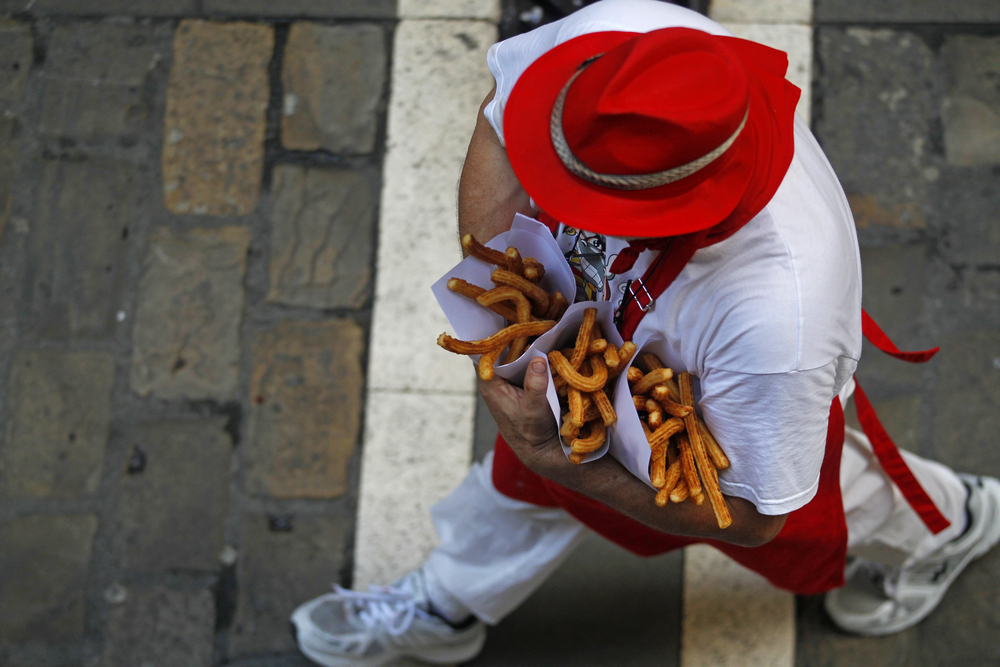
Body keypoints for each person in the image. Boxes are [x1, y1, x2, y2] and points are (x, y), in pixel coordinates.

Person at [289, 2, 1000, 665]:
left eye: (584, 197)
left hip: (712, 401)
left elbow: (752, 517)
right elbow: (498, 122)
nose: (557, 199)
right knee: (512, 487)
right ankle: (446, 606)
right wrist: (510, 309)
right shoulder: (620, 44)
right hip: (610, 352)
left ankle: (952, 522)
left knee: (822, 493)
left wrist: (562, 458)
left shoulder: (779, 328)